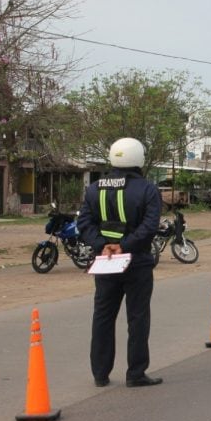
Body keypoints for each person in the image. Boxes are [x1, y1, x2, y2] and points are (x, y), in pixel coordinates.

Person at [77, 137, 163, 388]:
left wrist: (101, 245)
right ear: (139, 158)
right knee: (137, 318)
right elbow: (149, 227)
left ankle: (100, 374)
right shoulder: (148, 189)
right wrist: (124, 245)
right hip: (137, 262)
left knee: (102, 316)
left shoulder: (94, 189)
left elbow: (84, 223)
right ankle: (136, 373)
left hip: (106, 263)